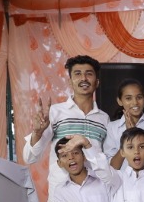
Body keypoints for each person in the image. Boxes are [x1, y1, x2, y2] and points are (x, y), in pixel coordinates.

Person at [23, 55, 110, 189]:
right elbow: (29, 158)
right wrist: (37, 133)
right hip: (60, 193)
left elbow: (106, 161)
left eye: (89, 74)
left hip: (96, 194)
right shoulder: (55, 112)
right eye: (77, 74)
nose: (84, 79)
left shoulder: (104, 118)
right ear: (70, 82)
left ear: (97, 82)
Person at [102, 78, 144, 159]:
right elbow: (111, 166)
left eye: (139, 97)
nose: (135, 102)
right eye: (128, 98)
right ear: (119, 101)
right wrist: (128, 135)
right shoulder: (112, 128)